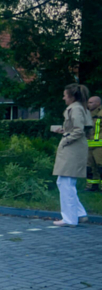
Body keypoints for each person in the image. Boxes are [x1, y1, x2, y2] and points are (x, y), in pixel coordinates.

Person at [51, 84, 92, 226]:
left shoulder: (75, 109)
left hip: (72, 148)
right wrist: (64, 130)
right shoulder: (81, 108)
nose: (63, 98)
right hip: (75, 148)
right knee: (65, 182)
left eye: (65, 95)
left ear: (72, 96)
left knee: (65, 182)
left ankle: (70, 219)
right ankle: (79, 214)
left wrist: (66, 140)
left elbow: (78, 130)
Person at [87, 95, 101, 192]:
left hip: (100, 146)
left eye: (91, 102)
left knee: (101, 167)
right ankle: (92, 186)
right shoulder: (88, 114)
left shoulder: (100, 114)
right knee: (90, 168)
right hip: (89, 145)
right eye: (88, 102)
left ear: (98, 103)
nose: (89, 104)